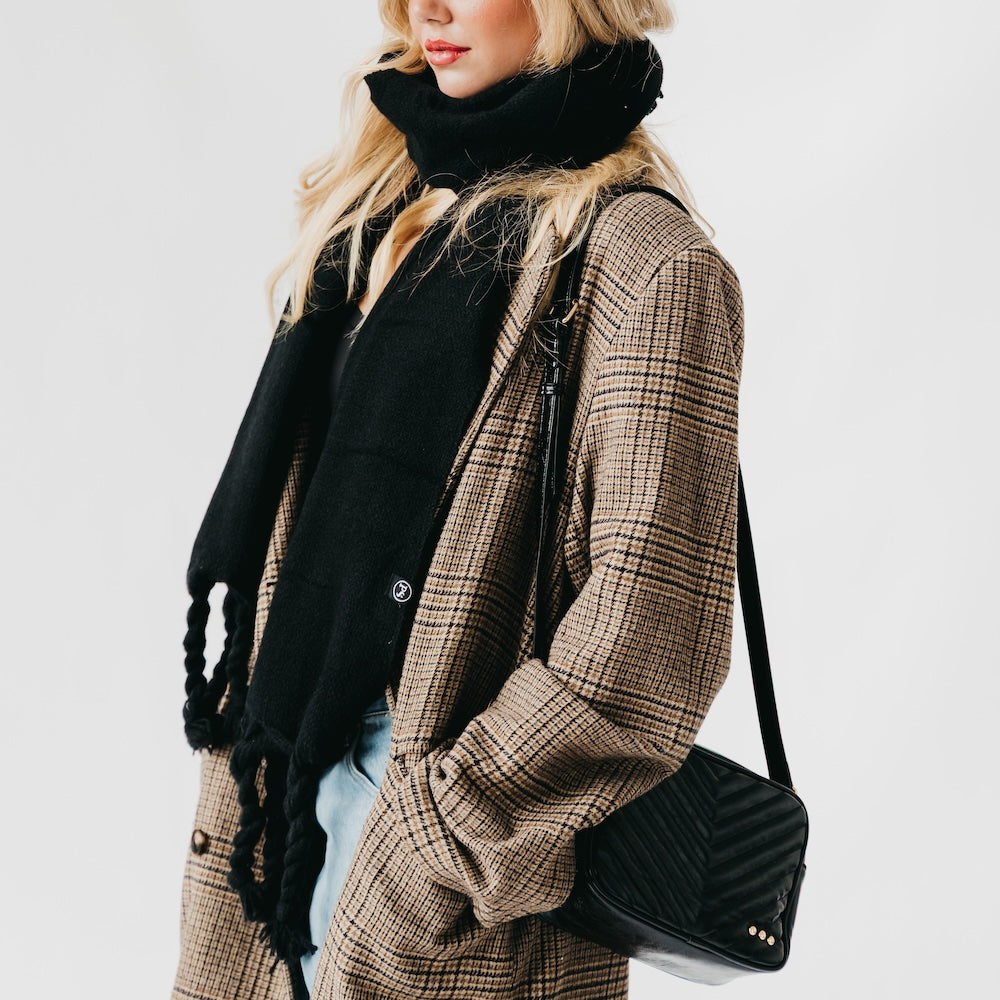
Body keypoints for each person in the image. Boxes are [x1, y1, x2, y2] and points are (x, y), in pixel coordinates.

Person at [174, 1, 745, 998]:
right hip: (281, 786)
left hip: (450, 836)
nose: (427, 8)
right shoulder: (388, 201)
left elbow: (650, 640)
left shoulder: (649, 262)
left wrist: (434, 842)